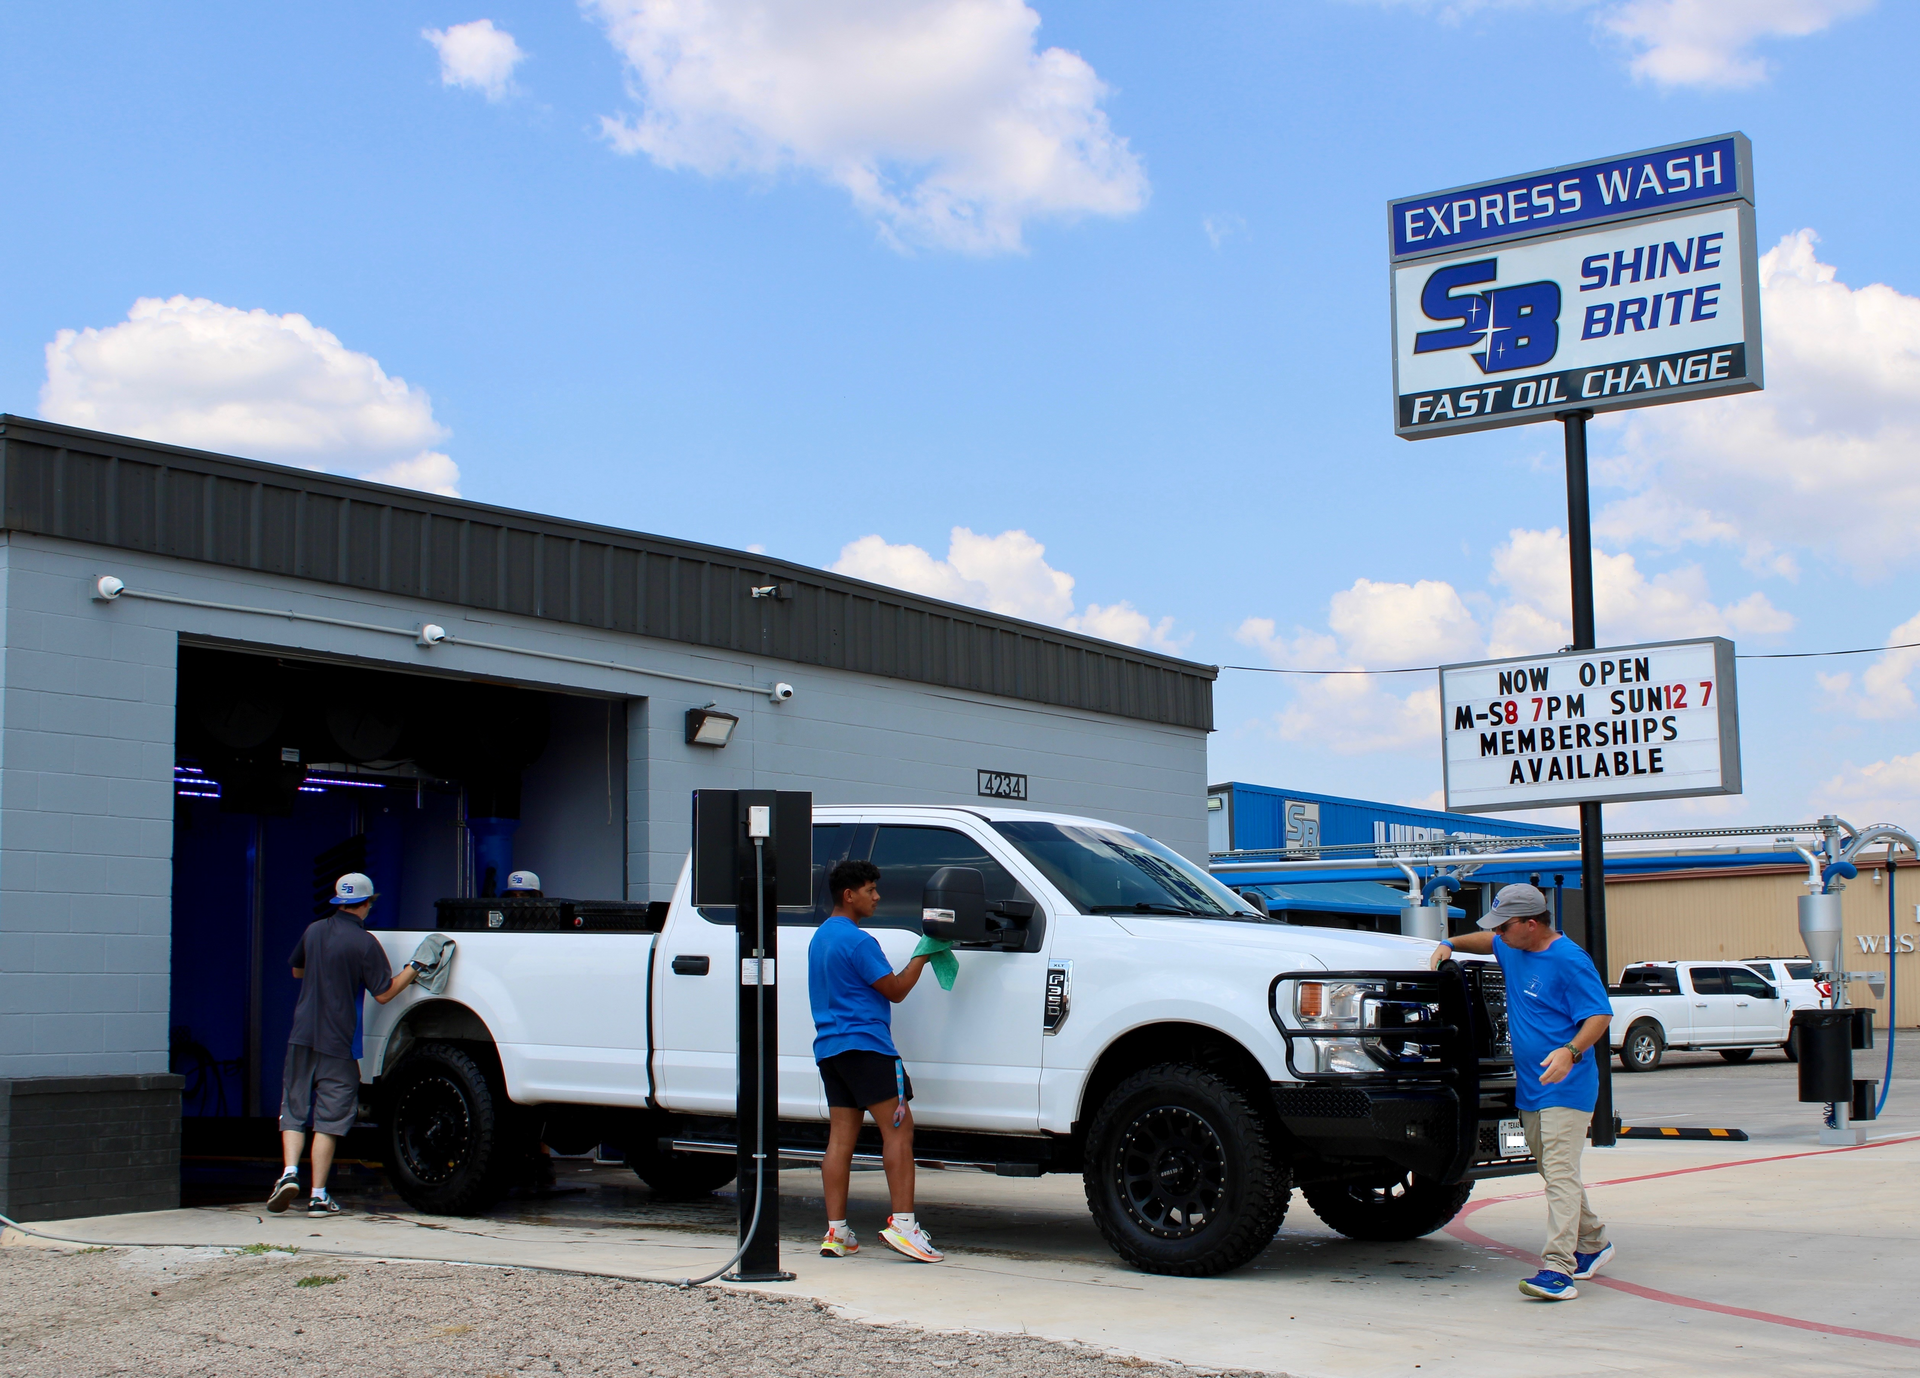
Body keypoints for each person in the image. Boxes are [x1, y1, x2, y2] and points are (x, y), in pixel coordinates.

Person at [1432, 882, 1613, 1300]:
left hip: (1567, 1085)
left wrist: (1570, 1051)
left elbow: (1600, 1015)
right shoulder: (1511, 946)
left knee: (1560, 1174)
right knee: (1554, 1170)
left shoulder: (1569, 961)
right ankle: (1594, 1242)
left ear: (1531, 924)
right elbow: (1485, 941)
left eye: (1504, 926)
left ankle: (1558, 1269)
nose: (1498, 933)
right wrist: (1449, 943)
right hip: (1531, 1085)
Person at [808, 858, 941, 1263]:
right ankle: (903, 1226)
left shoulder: (820, 939)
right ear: (849, 895)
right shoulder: (859, 942)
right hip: (869, 1048)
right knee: (899, 1131)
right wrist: (925, 952)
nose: (877, 897)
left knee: (840, 1141)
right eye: (870, 890)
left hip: (831, 1051)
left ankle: (837, 1232)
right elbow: (896, 989)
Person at [268, 873, 419, 1217]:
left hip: (301, 1034)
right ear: (366, 905)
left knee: (293, 1106)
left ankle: (289, 1173)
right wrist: (414, 967)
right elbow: (384, 993)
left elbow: (296, 972)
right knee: (329, 1118)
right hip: (338, 1040)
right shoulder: (365, 944)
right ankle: (318, 1196)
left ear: (339, 902)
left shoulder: (314, 930)